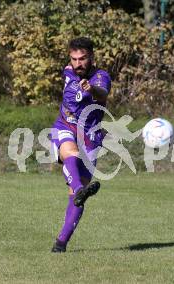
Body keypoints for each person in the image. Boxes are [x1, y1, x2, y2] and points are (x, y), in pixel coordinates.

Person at [50, 37, 111, 253]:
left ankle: (61, 243)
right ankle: (79, 189)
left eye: (83, 58)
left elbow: (103, 93)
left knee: (75, 199)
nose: (78, 63)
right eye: (74, 59)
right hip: (65, 125)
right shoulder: (67, 71)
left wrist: (92, 89)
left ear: (91, 57)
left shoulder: (101, 77)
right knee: (69, 153)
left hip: (90, 137)